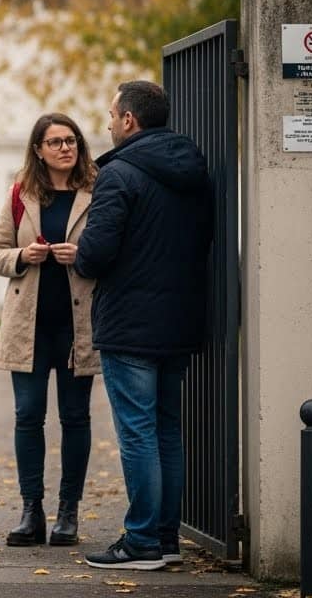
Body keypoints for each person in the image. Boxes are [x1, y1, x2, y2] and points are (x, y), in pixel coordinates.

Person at [74, 81, 212, 571]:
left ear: (129, 120)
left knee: (137, 433)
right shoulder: (195, 169)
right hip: (180, 318)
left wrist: (83, 253)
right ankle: (166, 537)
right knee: (166, 430)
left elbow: (95, 255)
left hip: (130, 323)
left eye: (112, 114)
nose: (108, 123)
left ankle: (141, 543)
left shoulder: (120, 174)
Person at [0, 113, 100, 549]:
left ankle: (68, 513)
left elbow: (115, 249)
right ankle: (31, 510)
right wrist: (22, 255)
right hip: (28, 327)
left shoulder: (98, 189)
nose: (65, 148)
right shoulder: (21, 193)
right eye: (54, 142)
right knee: (28, 416)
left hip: (78, 328)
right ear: (38, 150)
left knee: (75, 418)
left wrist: (84, 254)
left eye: (71, 140)